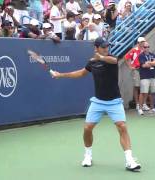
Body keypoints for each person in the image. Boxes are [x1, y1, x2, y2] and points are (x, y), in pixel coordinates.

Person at [50, 37, 141, 172]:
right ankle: (88, 155)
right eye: (103, 47)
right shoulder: (92, 63)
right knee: (87, 128)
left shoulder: (111, 59)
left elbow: (114, 60)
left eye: (107, 47)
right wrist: (61, 75)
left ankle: (129, 160)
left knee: (122, 127)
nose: (106, 49)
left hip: (114, 101)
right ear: (96, 48)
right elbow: (80, 73)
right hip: (98, 102)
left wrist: (101, 57)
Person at [124, 37, 146, 114]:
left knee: (144, 86)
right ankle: (137, 104)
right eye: (141, 42)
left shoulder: (144, 50)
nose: (143, 43)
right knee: (136, 86)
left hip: (144, 70)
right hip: (136, 70)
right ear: (138, 43)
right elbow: (126, 57)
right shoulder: (134, 50)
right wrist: (130, 66)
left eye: (143, 41)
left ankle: (143, 104)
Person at [138, 42, 155, 114]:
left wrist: (149, 63)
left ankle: (152, 108)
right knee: (143, 92)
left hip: (153, 76)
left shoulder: (152, 55)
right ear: (142, 48)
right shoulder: (141, 56)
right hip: (144, 76)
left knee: (153, 92)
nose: (146, 48)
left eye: (148, 47)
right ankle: (140, 109)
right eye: (145, 47)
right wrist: (153, 63)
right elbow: (144, 66)